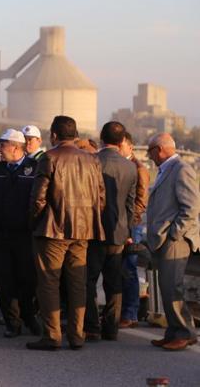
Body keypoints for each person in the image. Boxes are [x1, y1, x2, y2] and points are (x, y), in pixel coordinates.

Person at [26, 115, 105, 351]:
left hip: (53, 230)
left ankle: (52, 336)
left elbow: (38, 197)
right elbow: (101, 198)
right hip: (82, 230)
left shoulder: (50, 157)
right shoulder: (92, 160)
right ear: (75, 134)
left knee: (49, 282)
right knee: (77, 283)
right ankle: (77, 335)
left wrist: (33, 222)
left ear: (53, 135)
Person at [0, 129, 40, 338]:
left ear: (15, 147)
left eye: (2, 145)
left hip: (25, 236)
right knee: (4, 281)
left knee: (27, 279)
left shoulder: (35, 170)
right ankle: (12, 322)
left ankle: (29, 317)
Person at [145, 133, 199, 351]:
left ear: (159, 149)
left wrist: (175, 234)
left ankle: (185, 333)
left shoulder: (181, 169)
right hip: (163, 239)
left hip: (174, 240)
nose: (149, 157)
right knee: (166, 288)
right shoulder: (165, 169)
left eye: (150, 152)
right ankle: (173, 332)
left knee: (172, 288)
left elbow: (191, 208)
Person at [84, 122, 137, 342]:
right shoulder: (130, 167)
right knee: (114, 282)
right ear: (122, 140)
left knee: (88, 280)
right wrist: (128, 231)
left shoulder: (91, 162)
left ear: (101, 138)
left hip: (93, 232)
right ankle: (111, 328)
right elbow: (130, 205)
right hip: (118, 232)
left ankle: (92, 326)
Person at [118, 132, 149, 328]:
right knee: (120, 269)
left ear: (130, 146)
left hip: (131, 225)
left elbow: (141, 201)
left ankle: (130, 313)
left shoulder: (138, 169)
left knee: (129, 269)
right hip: (120, 223)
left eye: (120, 146)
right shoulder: (122, 165)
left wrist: (130, 223)